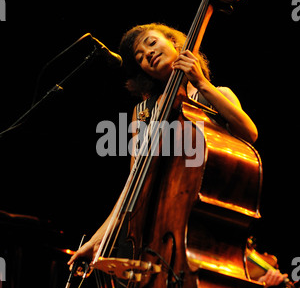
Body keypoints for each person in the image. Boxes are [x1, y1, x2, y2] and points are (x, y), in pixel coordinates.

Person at [68, 22, 259, 269]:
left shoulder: (215, 94)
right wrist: (98, 240)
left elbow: (249, 133)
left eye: (151, 43)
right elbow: (133, 184)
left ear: (176, 44)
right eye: (140, 57)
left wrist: (201, 83)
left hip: (207, 232)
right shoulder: (145, 114)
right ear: (144, 71)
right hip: (162, 235)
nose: (147, 53)